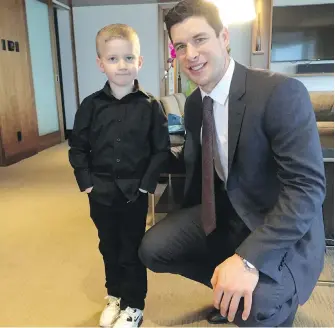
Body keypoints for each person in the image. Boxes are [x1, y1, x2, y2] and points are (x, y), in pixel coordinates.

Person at [138, 1, 326, 327]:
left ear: (223, 37)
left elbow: (307, 189)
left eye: (200, 39)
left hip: (280, 225)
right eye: (180, 46)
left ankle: (269, 299)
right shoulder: (196, 104)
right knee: (153, 248)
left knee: (256, 310)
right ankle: (228, 292)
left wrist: (249, 259)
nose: (191, 54)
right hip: (229, 213)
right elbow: (196, 170)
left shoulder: (279, 93)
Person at [69, 24, 170, 328]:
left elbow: (161, 150)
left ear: (139, 61)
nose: (122, 65)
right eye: (113, 59)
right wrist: (86, 182)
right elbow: (78, 146)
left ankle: (134, 305)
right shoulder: (90, 106)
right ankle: (114, 296)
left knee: (132, 248)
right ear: (101, 64)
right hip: (100, 191)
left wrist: (146, 186)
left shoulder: (151, 106)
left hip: (133, 193)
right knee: (108, 246)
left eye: (129, 58)